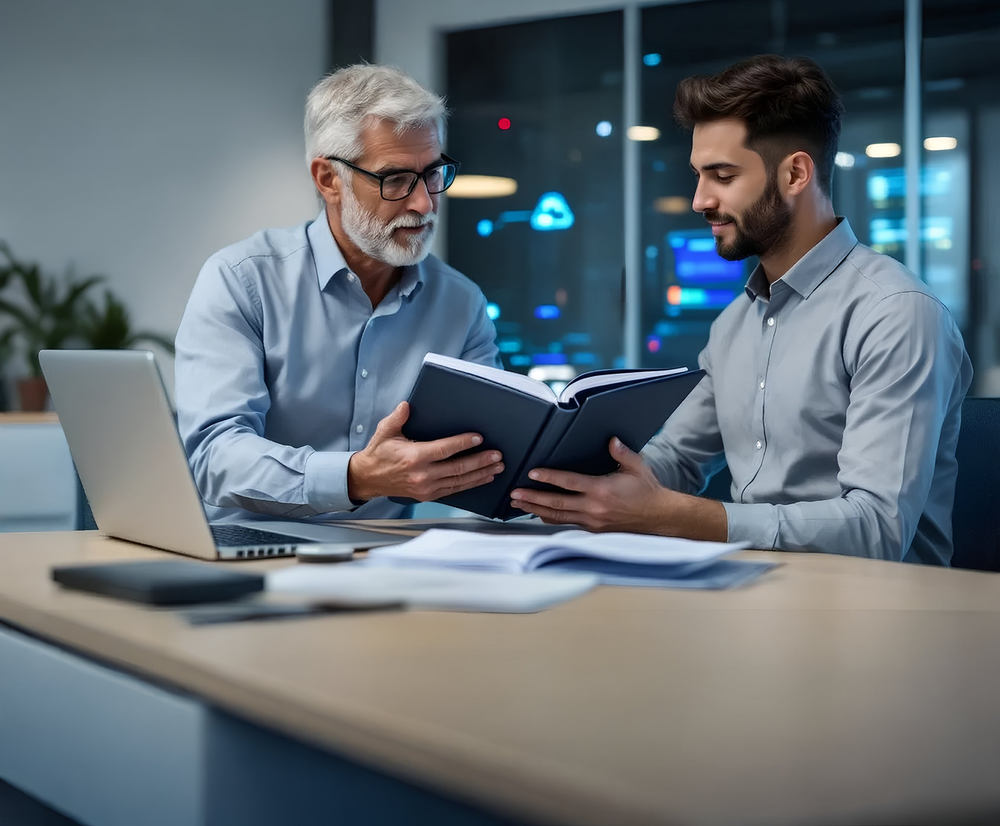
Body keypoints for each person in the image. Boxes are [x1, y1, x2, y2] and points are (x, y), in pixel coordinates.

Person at [511, 55, 972, 564]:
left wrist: (668, 515)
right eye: (698, 175)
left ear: (796, 173)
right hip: (749, 590)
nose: (698, 200)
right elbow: (676, 458)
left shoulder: (896, 314)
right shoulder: (735, 323)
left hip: (877, 610)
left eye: (722, 176)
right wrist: (569, 488)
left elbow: (878, 529)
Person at [175, 64, 504, 523]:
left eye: (433, 174)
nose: (424, 203)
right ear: (329, 179)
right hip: (259, 553)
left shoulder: (462, 304)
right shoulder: (241, 281)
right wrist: (356, 477)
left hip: (390, 559)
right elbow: (213, 458)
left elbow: (491, 455)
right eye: (395, 180)